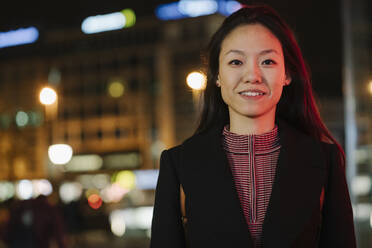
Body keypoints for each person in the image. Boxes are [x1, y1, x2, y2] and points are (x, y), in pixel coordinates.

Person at [150, 4, 356, 248]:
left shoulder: (325, 161)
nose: (253, 75)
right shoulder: (179, 165)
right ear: (217, 75)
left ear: (287, 74)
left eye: (267, 61)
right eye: (236, 62)